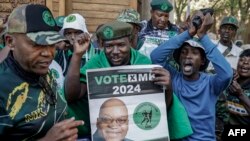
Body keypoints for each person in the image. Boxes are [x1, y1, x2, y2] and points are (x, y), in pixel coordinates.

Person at [65, 21, 193, 140]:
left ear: (131, 42)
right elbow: (71, 96)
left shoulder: (143, 63)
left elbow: (159, 107)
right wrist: (77, 55)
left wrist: (168, 87)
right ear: (102, 45)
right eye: (109, 46)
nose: (115, 52)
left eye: (121, 45)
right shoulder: (96, 62)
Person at [0, 4, 84, 140]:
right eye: (36, 44)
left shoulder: (43, 71)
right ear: (10, 42)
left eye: (52, 44)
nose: (48, 53)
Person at [151, 11, 233, 141]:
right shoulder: (174, 77)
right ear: (179, 59)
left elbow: (227, 74)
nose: (188, 56)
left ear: (202, 62)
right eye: (184, 52)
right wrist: (188, 33)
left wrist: (202, 35)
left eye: (194, 53)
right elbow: (155, 57)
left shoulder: (210, 84)